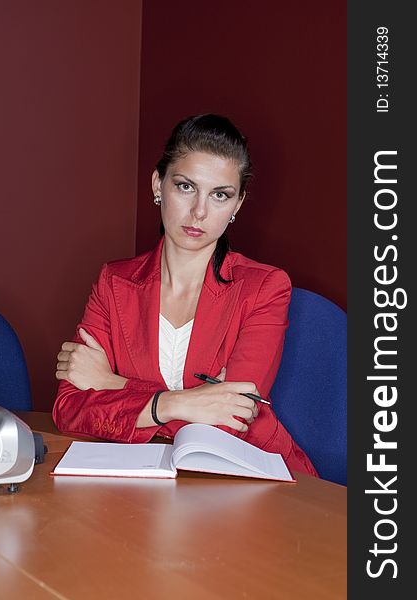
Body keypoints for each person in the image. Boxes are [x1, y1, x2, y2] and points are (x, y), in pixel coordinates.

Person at [53, 114, 317, 477]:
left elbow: (228, 424)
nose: (200, 212)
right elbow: (69, 409)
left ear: (237, 205)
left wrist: (111, 384)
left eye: (220, 195)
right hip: (144, 480)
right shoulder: (114, 282)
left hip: (250, 478)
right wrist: (189, 404)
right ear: (158, 184)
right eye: (186, 187)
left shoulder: (265, 288)